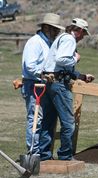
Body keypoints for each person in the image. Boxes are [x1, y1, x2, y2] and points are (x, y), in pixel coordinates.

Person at [42, 18, 95, 160]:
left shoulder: (61, 38)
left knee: (48, 121)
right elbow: (61, 60)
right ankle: (65, 155)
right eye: (84, 34)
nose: (83, 37)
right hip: (58, 83)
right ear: (80, 31)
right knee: (68, 123)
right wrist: (76, 59)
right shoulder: (69, 40)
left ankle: (43, 155)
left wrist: (82, 76)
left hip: (50, 80)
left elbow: (62, 67)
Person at [21, 13, 65, 160]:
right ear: (46, 27)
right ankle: (33, 153)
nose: (57, 32)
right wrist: (43, 75)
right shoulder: (35, 42)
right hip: (33, 84)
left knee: (44, 120)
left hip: (43, 85)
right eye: (55, 29)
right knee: (35, 119)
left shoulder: (48, 43)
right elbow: (30, 65)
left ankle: (41, 153)